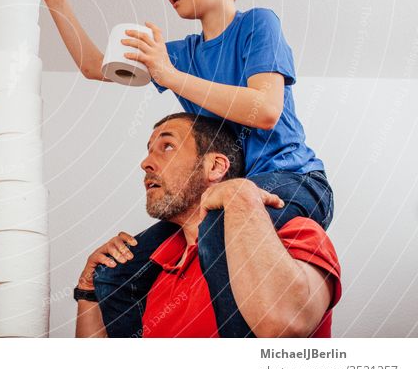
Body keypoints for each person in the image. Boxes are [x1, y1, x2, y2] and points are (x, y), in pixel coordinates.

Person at [40, 0, 334, 336]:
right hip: (228, 192)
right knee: (114, 273)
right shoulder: (184, 54)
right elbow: (95, 65)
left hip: (293, 179)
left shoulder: (257, 25)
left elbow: (265, 110)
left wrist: (171, 76)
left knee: (217, 230)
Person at [73, 113, 341, 338]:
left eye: (167, 146)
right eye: (148, 151)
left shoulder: (291, 234)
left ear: (215, 166)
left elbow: (286, 326)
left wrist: (241, 196)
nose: (145, 164)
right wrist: (88, 290)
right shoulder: (151, 273)